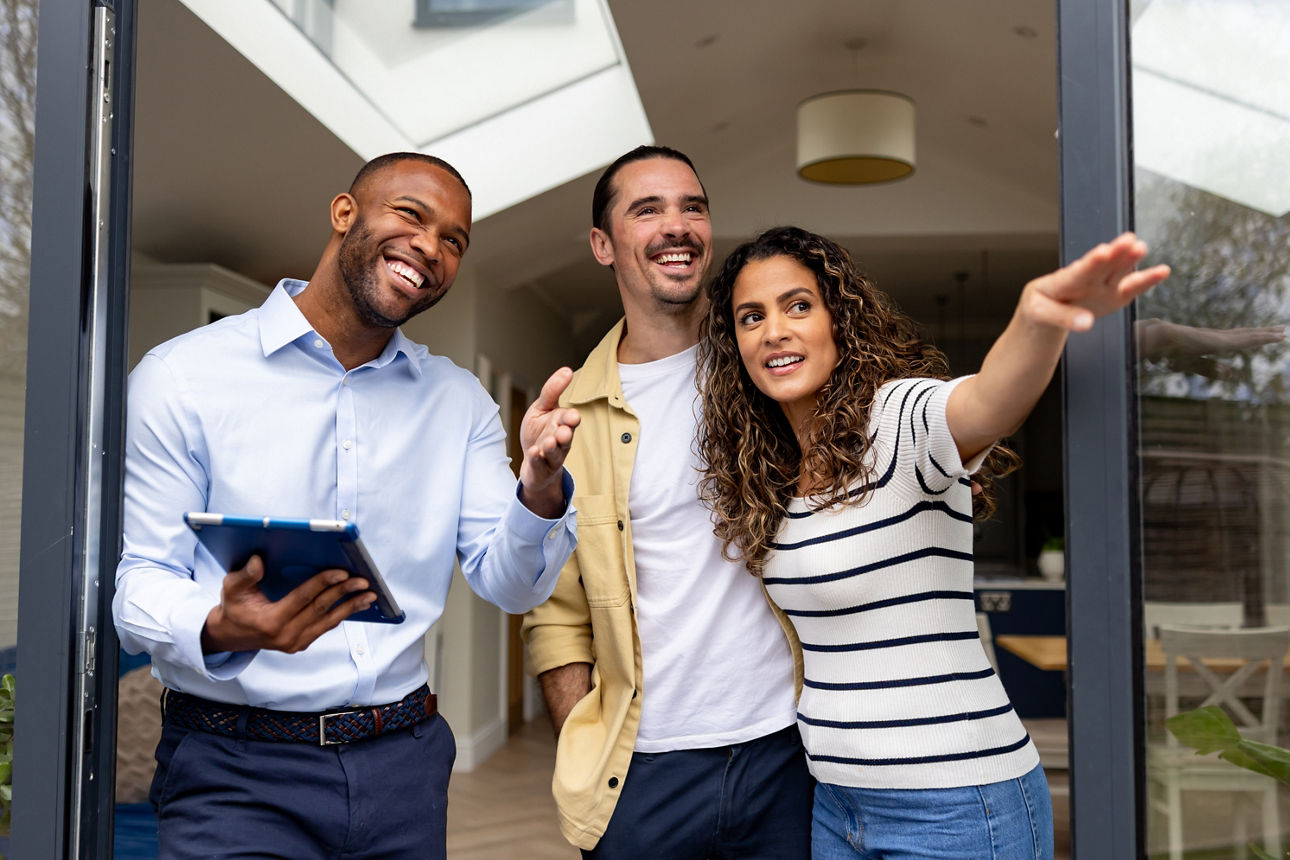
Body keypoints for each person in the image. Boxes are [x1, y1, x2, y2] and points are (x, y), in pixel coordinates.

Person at [113, 152, 582, 859]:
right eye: (410, 215)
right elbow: (136, 583)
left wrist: (541, 490)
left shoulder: (459, 404)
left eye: (454, 240)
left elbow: (510, 583)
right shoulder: (182, 378)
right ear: (343, 213)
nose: (431, 247)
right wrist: (220, 625)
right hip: (234, 768)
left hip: (402, 766)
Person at [696, 225, 1169, 859]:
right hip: (837, 805)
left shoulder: (896, 419)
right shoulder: (774, 477)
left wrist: (1038, 321)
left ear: (839, 320)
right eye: (751, 317)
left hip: (958, 805)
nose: (774, 330)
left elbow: (986, 401)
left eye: (798, 305)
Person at [521, 146, 814, 858]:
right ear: (602, 244)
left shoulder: (770, 368)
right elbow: (553, 612)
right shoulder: (575, 413)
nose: (676, 225)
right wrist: (581, 730)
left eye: (692, 207)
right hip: (643, 777)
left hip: (791, 754)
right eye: (646, 209)